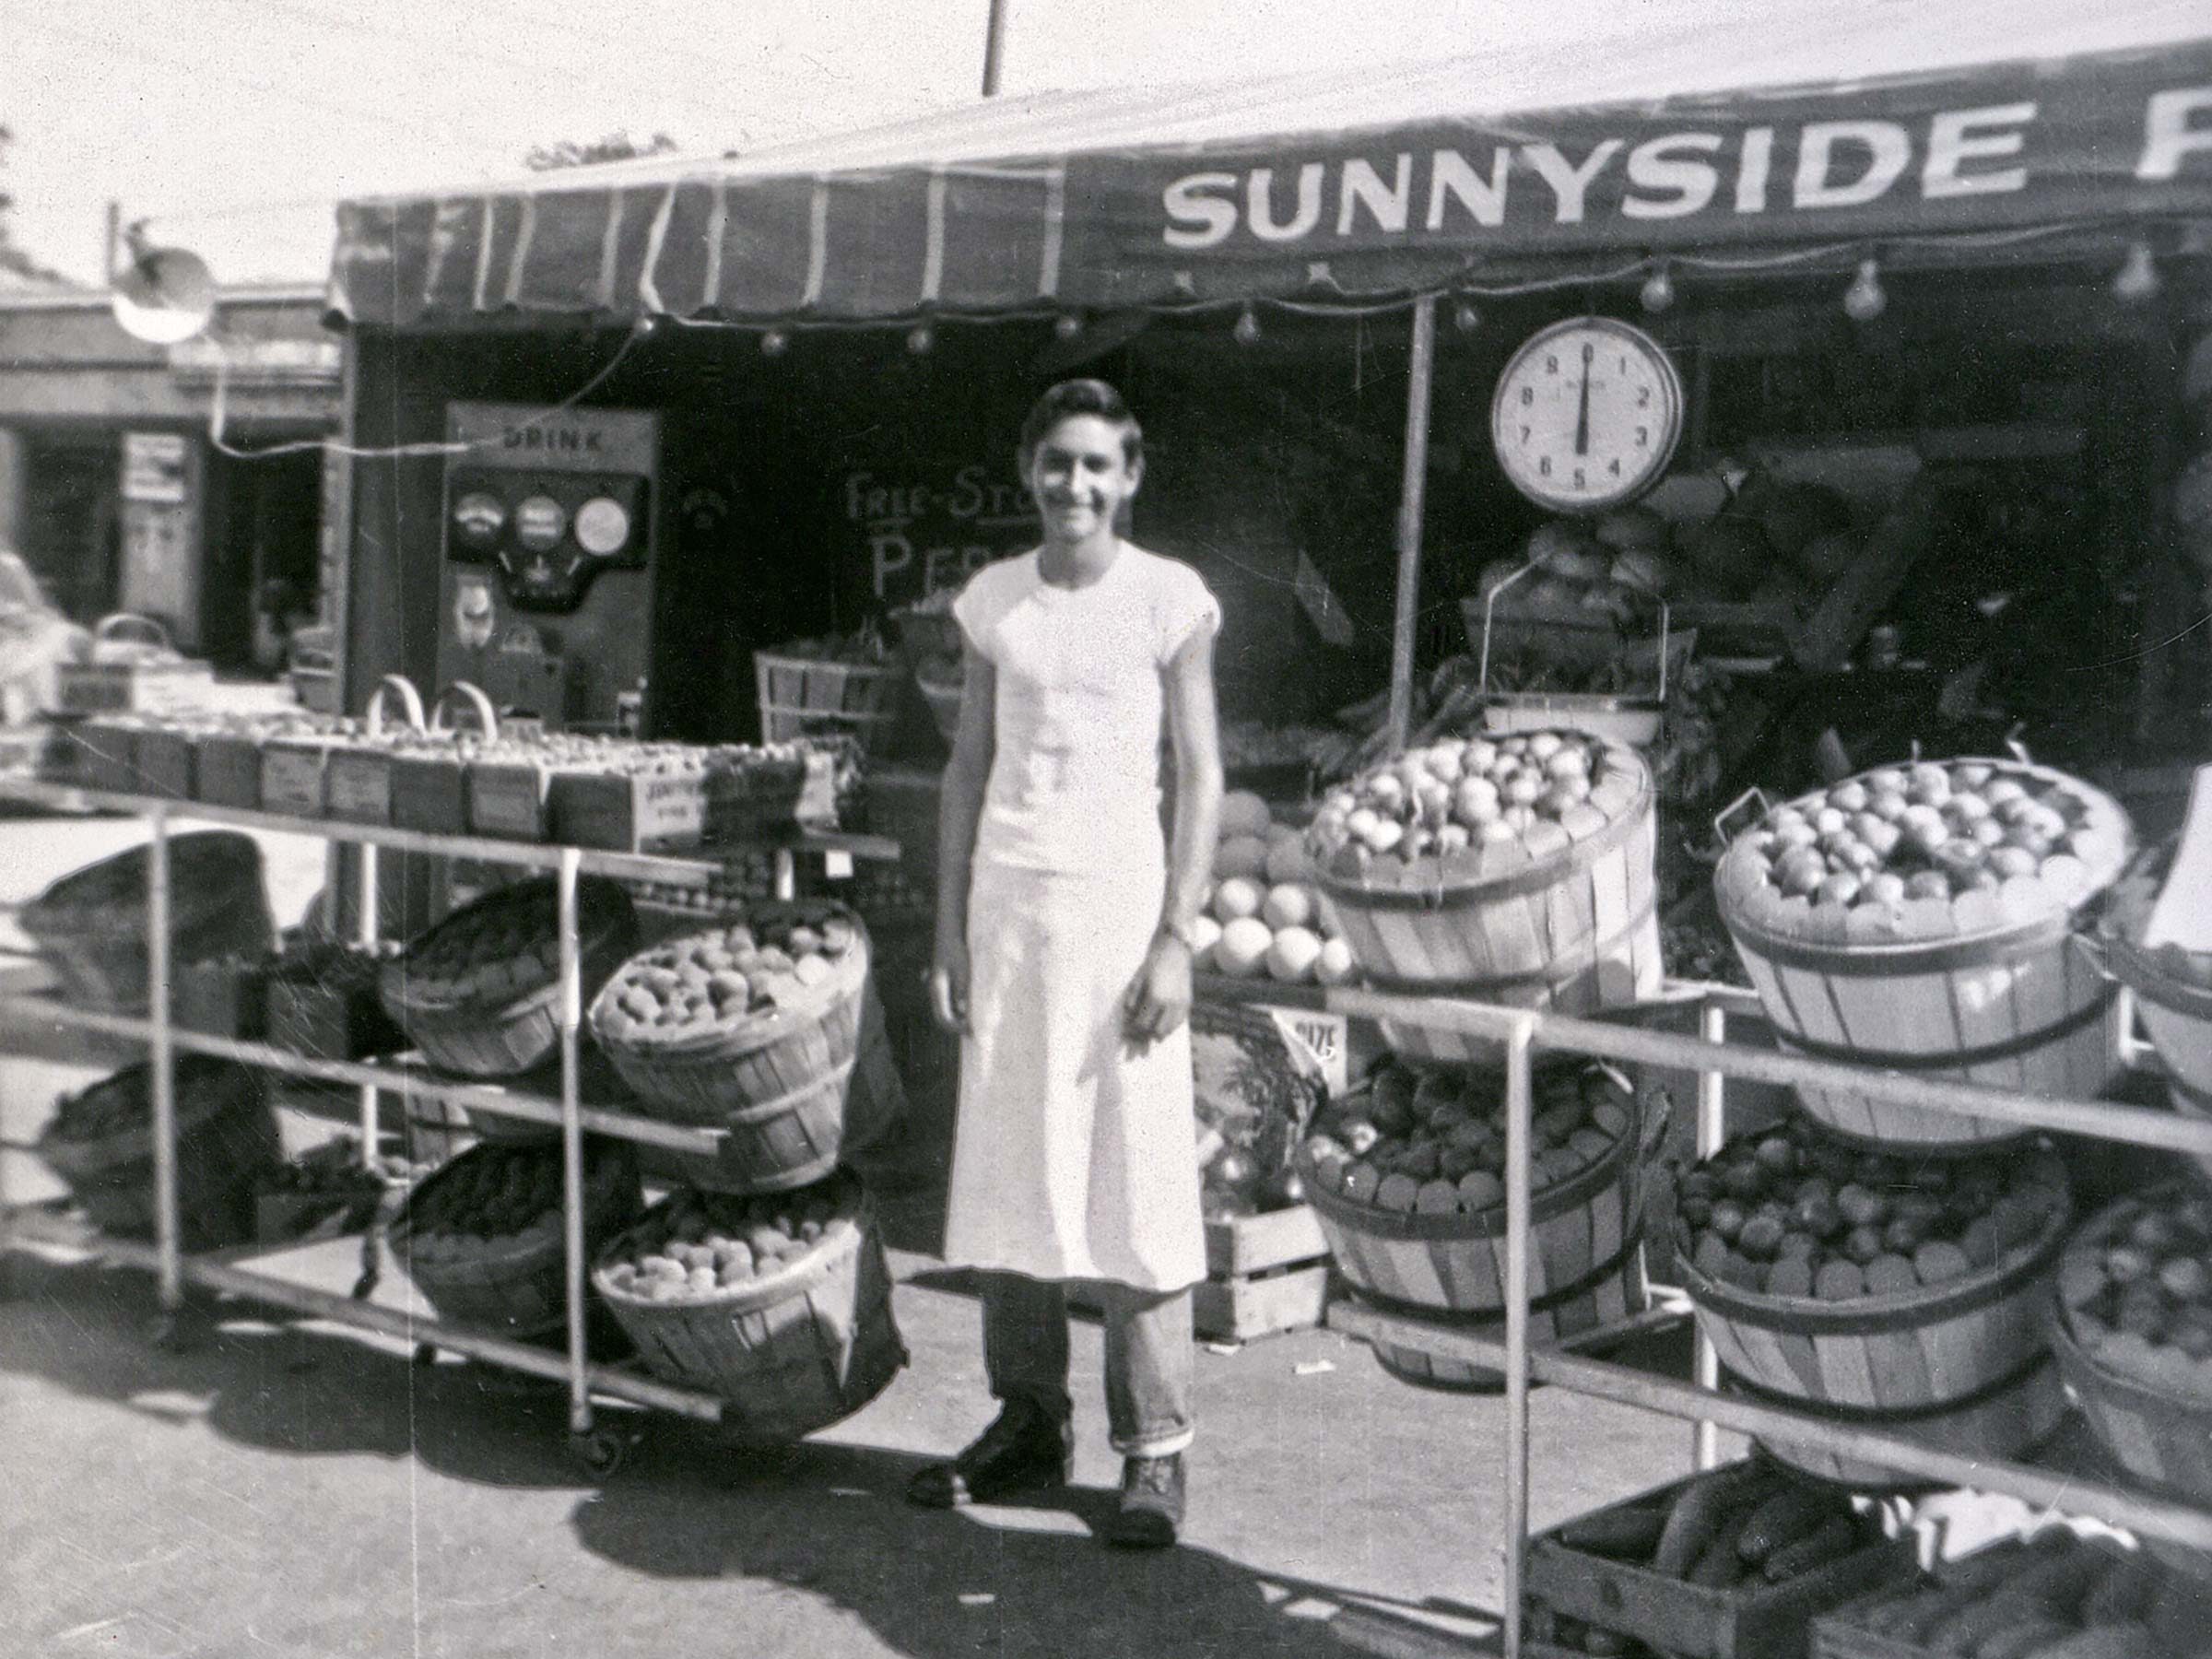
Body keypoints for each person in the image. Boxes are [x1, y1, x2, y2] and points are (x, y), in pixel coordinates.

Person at [909, 379, 1223, 1548]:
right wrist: (947, 930)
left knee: (1134, 1179)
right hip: (1010, 915)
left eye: (1097, 466)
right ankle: (1030, 1422)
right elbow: (965, 772)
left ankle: (1155, 1452)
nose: (1074, 486)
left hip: (1122, 919)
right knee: (1011, 1173)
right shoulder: (995, 603)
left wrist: (1177, 938)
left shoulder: (1170, 602)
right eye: (1057, 464)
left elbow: (1201, 776)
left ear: (1130, 478)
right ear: (1030, 471)